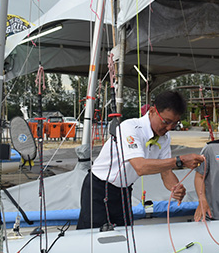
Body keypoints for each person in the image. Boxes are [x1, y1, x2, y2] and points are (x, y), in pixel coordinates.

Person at [77, 90, 204, 229]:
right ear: (152, 111)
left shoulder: (165, 137)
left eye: (174, 124)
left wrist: (175, 188)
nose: (169, 128)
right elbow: (140, 166)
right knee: (93, 235)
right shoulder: (129, 128)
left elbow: (166, 172)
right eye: (166, 122)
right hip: (98, 188)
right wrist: (180, 160)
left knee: (124, 234)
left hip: (124, 191)